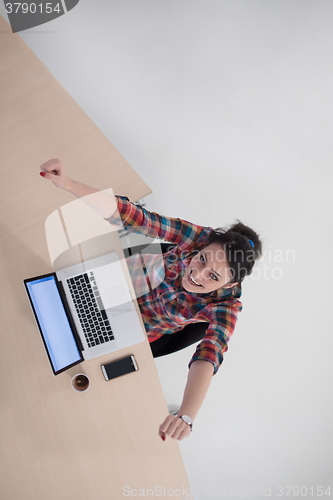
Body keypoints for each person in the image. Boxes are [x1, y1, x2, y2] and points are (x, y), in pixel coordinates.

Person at [39, 158, 263, 442]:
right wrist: (68, 184)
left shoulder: (226, 306)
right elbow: (136, 218)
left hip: (134, 327)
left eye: (213, 277)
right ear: (203, 245)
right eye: (202, 259)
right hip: (120, 281)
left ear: (230, 284)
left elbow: (209, 354)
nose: (198, 275)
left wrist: (186, 415)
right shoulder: (197, 237)